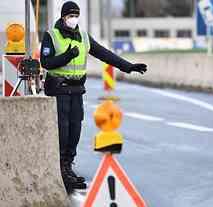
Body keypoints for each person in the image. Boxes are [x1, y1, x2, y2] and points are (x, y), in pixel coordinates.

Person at [40, 1, 147, 192]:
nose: (73, 19)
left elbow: (104, 54)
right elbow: (46, 62)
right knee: (62, 132)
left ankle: (68, 166)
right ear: (63, 17)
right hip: (58, 90)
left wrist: (128, 66)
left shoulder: (83, 37)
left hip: (76, 90)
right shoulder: (51, 35)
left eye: (76, 15)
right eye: (70, 15)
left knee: (75, 131)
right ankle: (61, 169)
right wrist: (67, 56)